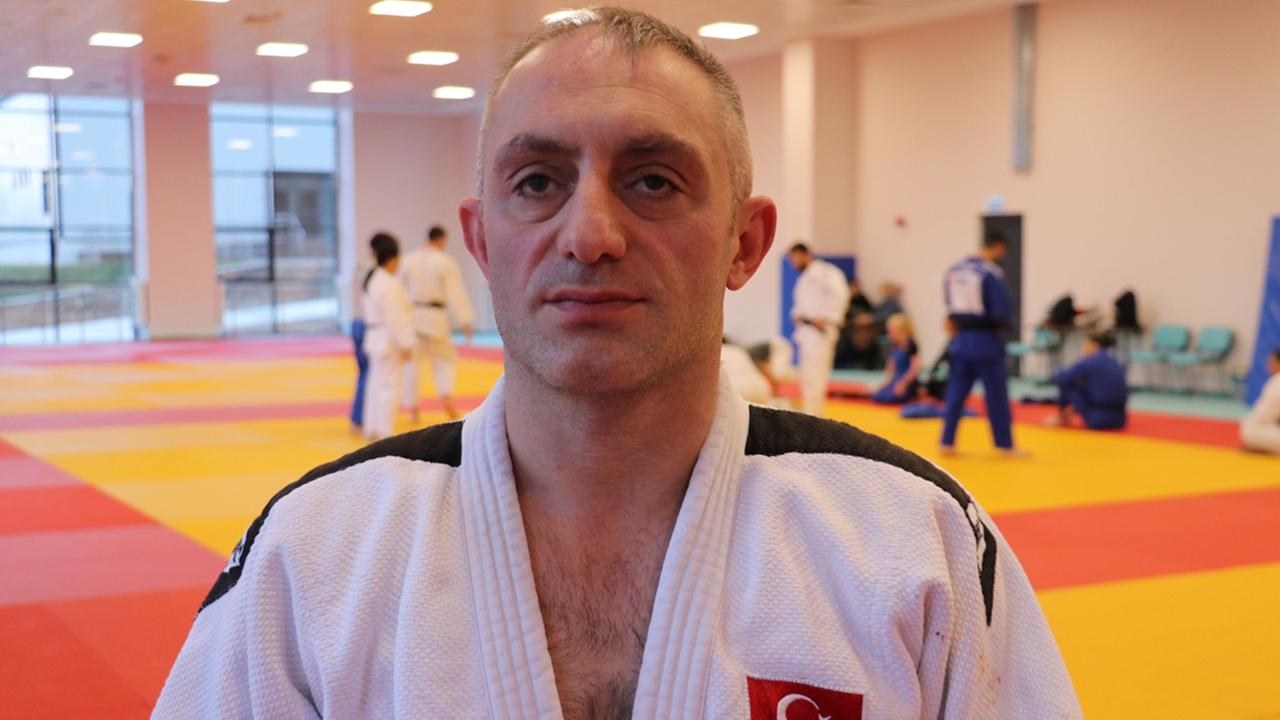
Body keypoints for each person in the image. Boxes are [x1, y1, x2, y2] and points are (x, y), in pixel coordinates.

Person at [154, 8, 1080, 719]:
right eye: (536, 182)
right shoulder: (312, 554)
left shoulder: (918, 545)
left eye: (653, 181)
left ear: (745, 242)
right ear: (482, 240)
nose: (590, 234)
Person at [940, 231, 1022, 456]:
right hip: (986, 340)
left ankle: (947, 442)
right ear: (999, 248)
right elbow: (1000, 310)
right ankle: (1004, 445)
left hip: (960, 340)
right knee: (996, 394)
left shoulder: (954, 270)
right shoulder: (990, 272)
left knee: (955, 392)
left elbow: (948, 303)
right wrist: (1008, 329)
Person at [398, 224, 476, 421]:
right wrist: (465, 320)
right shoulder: (445, 262)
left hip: (413, 316)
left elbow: (399, 290)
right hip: (436, 318)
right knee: (445, 360)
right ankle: (446, 396)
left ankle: (413, 409)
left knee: (412, 365)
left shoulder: (408, 260)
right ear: (441, 239)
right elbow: (455, 292)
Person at [360, 232, 415, 442]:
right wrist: (407, 343)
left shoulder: (373, 279)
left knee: (375, 384)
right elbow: (396, 317)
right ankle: (385, 432)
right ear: (391, 259)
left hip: (374, 336)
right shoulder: (389, 283)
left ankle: (372, 427)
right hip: (387, 338)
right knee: (389, 386)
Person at [788, 242, 851, 416]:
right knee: (807, 376)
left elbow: (841, 294)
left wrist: (828, 318)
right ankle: (810, 412)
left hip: (819, 331)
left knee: (816, 375)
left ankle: (814, 415)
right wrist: (798, 315)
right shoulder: (803, 278)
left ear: (806, 254)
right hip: (806, 331)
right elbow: (803, 306)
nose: (793, 262)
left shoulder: (825, 272)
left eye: (795, 257)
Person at [1044, 332, 1129, 430]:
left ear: (1093, 345)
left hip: (1097, 420)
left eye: (1085, 345)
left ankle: (1062, 418)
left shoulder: (1090, 361)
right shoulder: (1116, 362)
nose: (1082, 348)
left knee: (1066, 383)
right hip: (1120, 420)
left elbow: (1060, 377)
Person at [871, 313, 921, 404]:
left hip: (907, 382)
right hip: (895, 381)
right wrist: (884, 384)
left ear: (900, 330)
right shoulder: (894, 345)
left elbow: (916, 367)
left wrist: (904, 383)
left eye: (891, 330)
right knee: (876, 394)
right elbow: (891, 369)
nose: (889, 334)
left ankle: (912, 393)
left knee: (892, 397)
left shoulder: (910, 344)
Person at [346, 259, 372, 434]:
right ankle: (360, 418)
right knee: (369, 375)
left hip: (356, 323)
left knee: (364, 373)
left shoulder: (359, 269)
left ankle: (358, 418)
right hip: (368, 326)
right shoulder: (375, 273)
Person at [1241, 348, 1280, 454]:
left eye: (1271, 362)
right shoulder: (1275, 381)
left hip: (1260, 428)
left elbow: (1265, 416)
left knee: (1250, 430)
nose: (1268, 365)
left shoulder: (1276, 382)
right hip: (1264, 427)